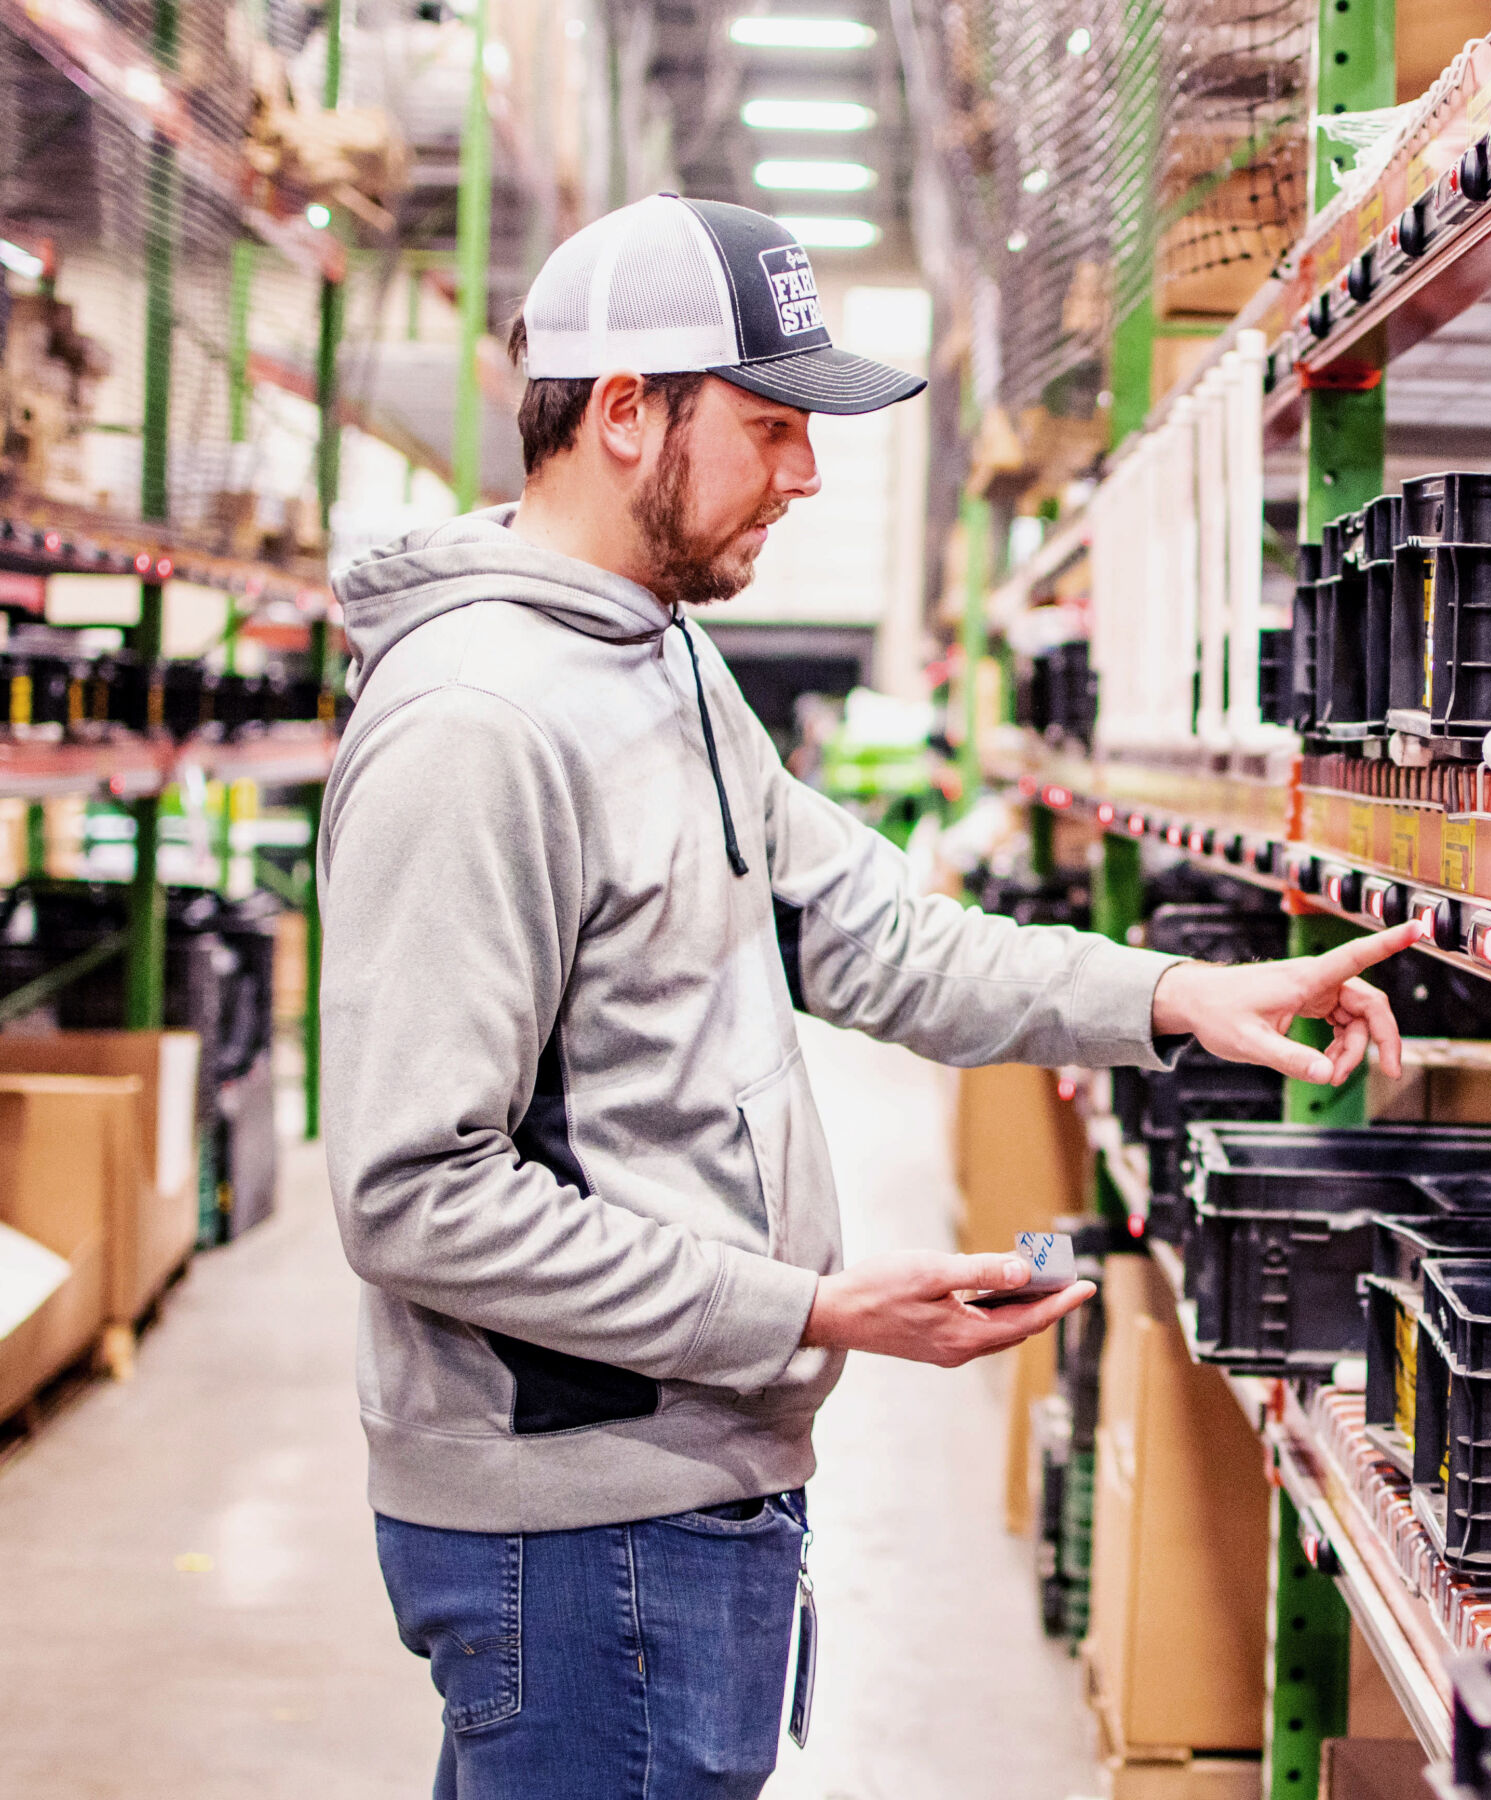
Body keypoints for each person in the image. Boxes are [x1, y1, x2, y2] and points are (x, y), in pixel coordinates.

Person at [318, 195, 1419, 1800]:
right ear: (626, 414)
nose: (807, 474)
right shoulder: (476, 724)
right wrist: (812, 1314)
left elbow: (875, 937)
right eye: (768, 427)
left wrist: (1182, 992)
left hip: (680, 1484)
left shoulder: (664, 665)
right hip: (575, 1525)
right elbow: (413, 1194)